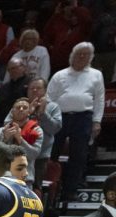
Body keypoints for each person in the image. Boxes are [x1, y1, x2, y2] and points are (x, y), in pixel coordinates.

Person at [47, 42, 104, 207]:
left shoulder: (96, 75)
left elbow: (99, 100)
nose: (81, 57)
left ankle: (70, 192)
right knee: (52, 152)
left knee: (78, 156)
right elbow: (50, 98)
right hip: (60, 117)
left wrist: (97, 121)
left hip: (83, 118)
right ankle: (49, 188)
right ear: (72, 55)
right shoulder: (59, 75)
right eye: (79, 53)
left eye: (86, 54)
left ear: (90, 57)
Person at [0, 97, 42, 165]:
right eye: (18, 107)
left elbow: (33, 155)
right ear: (11, 112)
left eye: (25, 107)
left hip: (25, 173)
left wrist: (20, 139)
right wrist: (4, 140)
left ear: (29, 112)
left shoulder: (36, 131)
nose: (21, 109)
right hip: (3, 173)